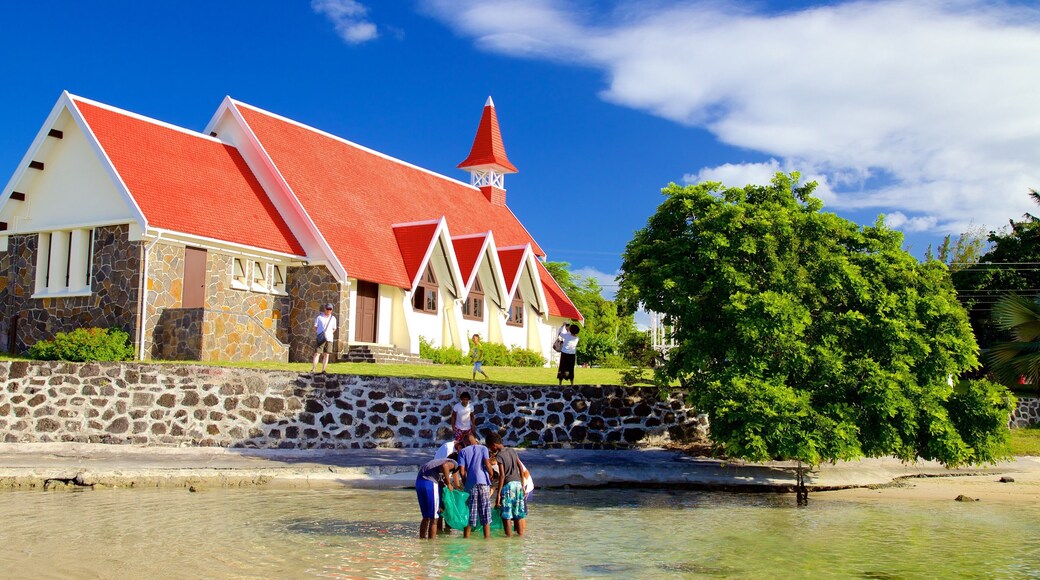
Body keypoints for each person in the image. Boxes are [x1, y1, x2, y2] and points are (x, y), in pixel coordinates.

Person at [487, 432, 529, 537]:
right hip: (518, 485)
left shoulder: (499, 455)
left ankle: (508, 539)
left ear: (494, 445)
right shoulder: (512, 450)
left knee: (507, 516)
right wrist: (522, 486)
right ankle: (520, 537)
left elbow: (502, 476)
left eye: (490, 447)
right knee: (518, 514)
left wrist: (499, 495)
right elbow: (520, 467)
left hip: (508, 486)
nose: (491, 450)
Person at [456, 431, 494, 538]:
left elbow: (462, 471)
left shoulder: (462, 452)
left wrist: (465, 483)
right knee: (485, 514)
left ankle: (466, 539)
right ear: (474, 439)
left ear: (465, 442)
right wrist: (491, 474)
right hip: (483, 484)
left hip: (471, 485)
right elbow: (487, 464)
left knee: (470, 514)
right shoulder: (483, 449)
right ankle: (487, 540)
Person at [416, 454, 458, 539]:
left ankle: (423, 540)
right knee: (434, 518)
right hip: (430, 483)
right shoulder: (453, 462)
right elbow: (445, 466)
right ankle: (432, 545)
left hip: (419, 482)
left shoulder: (436, 462)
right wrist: (448, 483)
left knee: (426, 517)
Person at [311, 303, 338, 373]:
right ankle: (313, 369)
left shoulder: (333, 318)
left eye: (330, 309)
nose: (329, 310)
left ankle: (323, 370)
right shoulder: (319, 317)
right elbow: (315, 327)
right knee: (317, 353)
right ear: (325, 309)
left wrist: (329, 333)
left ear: (332, 310)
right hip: (321, 338)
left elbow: (334, 328)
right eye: (327, 309)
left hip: (329, 339)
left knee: (326, 354)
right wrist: (320, 333)